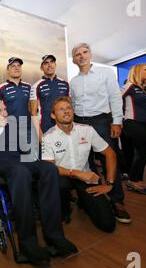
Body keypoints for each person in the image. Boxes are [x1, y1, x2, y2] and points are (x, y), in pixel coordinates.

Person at [0, 99, 78, 268]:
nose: (5, 113)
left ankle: (55, 236)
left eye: (5, 109)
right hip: (1, 169)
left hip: (20, 164)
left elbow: (26, 152)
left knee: (48, 169)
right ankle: (28, 244)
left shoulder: (13, 130)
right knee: (20, 171)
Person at [70, 43, 131, 224]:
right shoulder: (73, 81)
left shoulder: (106, 74)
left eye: (84, 52)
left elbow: (114, 97)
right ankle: (90, 198)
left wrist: (117, 121)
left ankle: (117, 201)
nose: (81, 56)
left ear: (90, 54)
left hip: (101, 121)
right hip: (80, 122)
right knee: (85, 162)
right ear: (73, 60)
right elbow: (73, 105)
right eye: (77, 54)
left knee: (108, 159)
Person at [43, 97, 117, 232]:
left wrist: (109, 184)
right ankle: (65, 207)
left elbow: (110, 154)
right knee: (57, 183)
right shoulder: (48, 137)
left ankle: (83, 200)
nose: (66, 111)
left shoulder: (87, 130)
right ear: (53, 115)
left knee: (108, 225)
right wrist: (76, 173)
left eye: (68, 108)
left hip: (85, 178)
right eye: (61, 109)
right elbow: (48, 168)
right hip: (63, 177)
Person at [121, 63, 146, 194]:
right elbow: (115, 100)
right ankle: (133, 181)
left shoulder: (145, 88)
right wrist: (118, 120)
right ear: (137, 71)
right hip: (132, 122)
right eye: (145, 70)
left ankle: (137, 180)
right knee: (144, 151)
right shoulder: (129, 85)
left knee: (145, 152)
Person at [0, 57, 38, 138]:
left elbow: (33, 109)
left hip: (28, 130)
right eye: (13, 66)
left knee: (30, 151)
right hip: (9, 131)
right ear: (7, 70)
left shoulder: (29, 87)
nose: (16, 68)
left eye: (18, 66)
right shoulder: (0, 88)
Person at [31, 54, 70, 134]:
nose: (49, 65)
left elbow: (70, 107)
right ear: (41, 68)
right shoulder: (36, 86)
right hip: (46, 128)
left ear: (55, 65)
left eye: (52, 62)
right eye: (46, 63)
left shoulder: (65, 84)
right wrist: (40, 135)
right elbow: (33, 113)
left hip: (64, 127)